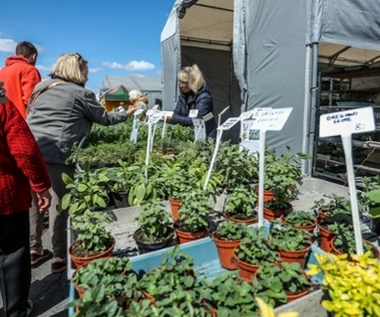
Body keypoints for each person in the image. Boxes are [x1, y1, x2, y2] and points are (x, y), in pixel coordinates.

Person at [26, 53, 137, 273]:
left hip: (29, 150)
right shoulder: (80, 93)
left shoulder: (40, 88)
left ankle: (34, 248)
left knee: (33, 202)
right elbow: (105, 118)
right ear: (77, 71)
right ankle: (59, 256)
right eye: (85, 71)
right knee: (60, 203)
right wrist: (127, 113)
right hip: (56, 153)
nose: (87, 75)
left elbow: (31, 114)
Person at [0, 81, 52, 317]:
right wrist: (41, 186)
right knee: (12, 255)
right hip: (5, 198)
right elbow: (25, 150)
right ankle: (16, 311)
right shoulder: (3, 106)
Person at [166, 64, 216, 138]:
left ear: (193, 82)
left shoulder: (204, 97)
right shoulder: (183, 96)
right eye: (180, 82)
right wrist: (167, 117)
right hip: (189, 135)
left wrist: (174, 118)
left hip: (205, 136)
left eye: (184, 82)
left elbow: (198, 120)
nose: (181, 85)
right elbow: (177, 113)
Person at [0, 41, 41, 119]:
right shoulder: (30, 70)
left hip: (3, 120)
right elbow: (31, 100)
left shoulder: (2, 70)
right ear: (33, 56)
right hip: (20, 121)